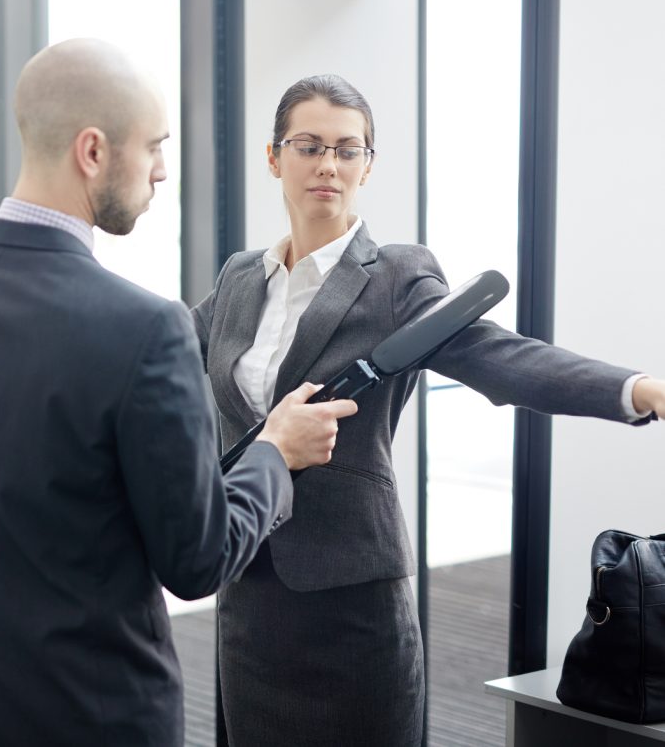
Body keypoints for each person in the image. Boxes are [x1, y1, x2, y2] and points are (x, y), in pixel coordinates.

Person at [0, 40, 358, 747]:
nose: (162, 171)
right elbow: (197, 559)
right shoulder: (144, 327)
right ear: (92, 152)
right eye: (153, 147)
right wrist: (276, 453)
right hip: (97, 718)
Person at [191, 73, 665, 747]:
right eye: (308, 145)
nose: (328, 164)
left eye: (348, 149)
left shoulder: (394, 278)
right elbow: (166, 365)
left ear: (368, 165)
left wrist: (642, 390)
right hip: (250, 590)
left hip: (353, 595)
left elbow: (501, 356)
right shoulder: (240, 278)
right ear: (275, 157)